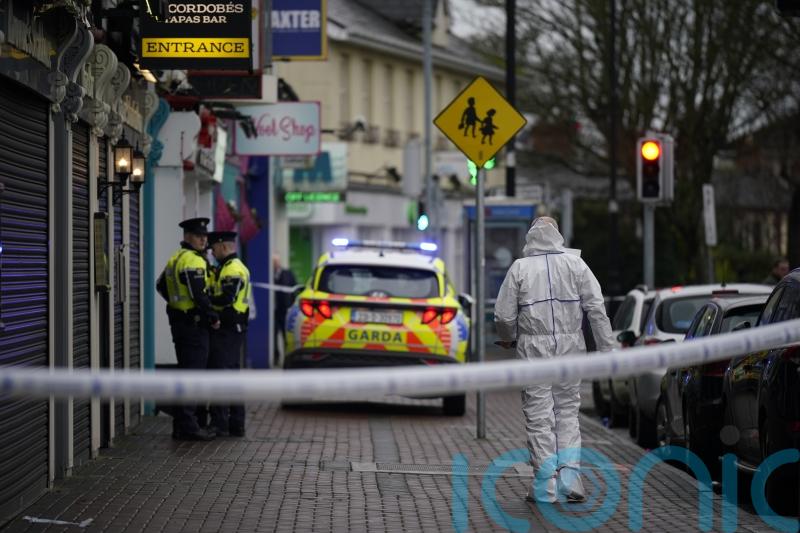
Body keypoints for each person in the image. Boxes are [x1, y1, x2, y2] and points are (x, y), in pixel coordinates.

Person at [493, 217, 615, 504]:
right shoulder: (576, 265)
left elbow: (503, 315)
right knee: (567, 412)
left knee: (538, 417)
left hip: (534, 348)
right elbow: (597, 308)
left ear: (531, 237)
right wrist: (608, 350)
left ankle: (545, 485)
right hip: (571, 347)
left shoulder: (520, 268)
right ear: (558, 235)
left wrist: (509, 337)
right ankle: (571, 480)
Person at [156, 217, 219, 441]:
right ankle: (189, 427)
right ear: (187, 237)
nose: (203, 239)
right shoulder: (193, 260)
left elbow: (160, 285)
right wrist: (211, 316)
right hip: (193, 326)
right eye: (198, 235)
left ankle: (180, 425)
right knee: (193, 375)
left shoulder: (176, 257)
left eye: (204, 236)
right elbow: (198, 294)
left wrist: (175, 304)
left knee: (185, 372)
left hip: (179, 323)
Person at [206, 231, 251, 437]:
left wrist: (206, 303)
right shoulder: (230, 267)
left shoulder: (232, 269)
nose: (212, 253)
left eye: (213, 248)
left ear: (223, 246)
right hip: (234, 329)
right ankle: (236, 424)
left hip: (227, 329)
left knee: (220, 375)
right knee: (232, 376)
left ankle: (220, 423)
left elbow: (226, 297)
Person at [273, 254, 297, 365]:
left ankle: (287, 360)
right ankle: (275, 358)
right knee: (273, 337)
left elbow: (294, 291)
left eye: (276, 261)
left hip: (284, 311)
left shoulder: (288, 274)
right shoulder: (269, 275)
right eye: (273, 261)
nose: (275, 263)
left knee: (285, 336)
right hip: (273, 312)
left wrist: (291, 307)